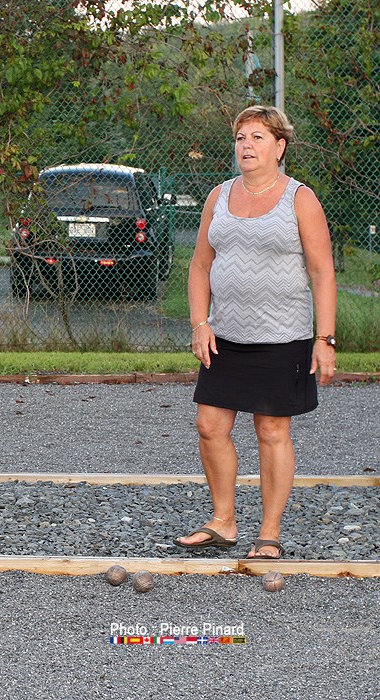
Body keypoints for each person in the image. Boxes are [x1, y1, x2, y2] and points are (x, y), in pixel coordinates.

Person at [175, 105, 337, 559]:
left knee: (271, 430)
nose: (246, 145)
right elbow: (200, 265)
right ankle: (222, 522)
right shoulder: (218, 196)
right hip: (225, 335)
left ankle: (269, 533)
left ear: (280, 147)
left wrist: (324, 339)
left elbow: (323, 272)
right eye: (241, 137)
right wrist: (199, 322)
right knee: (209, 425)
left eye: (258, 138)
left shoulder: (299, 198)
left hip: (283, 337)